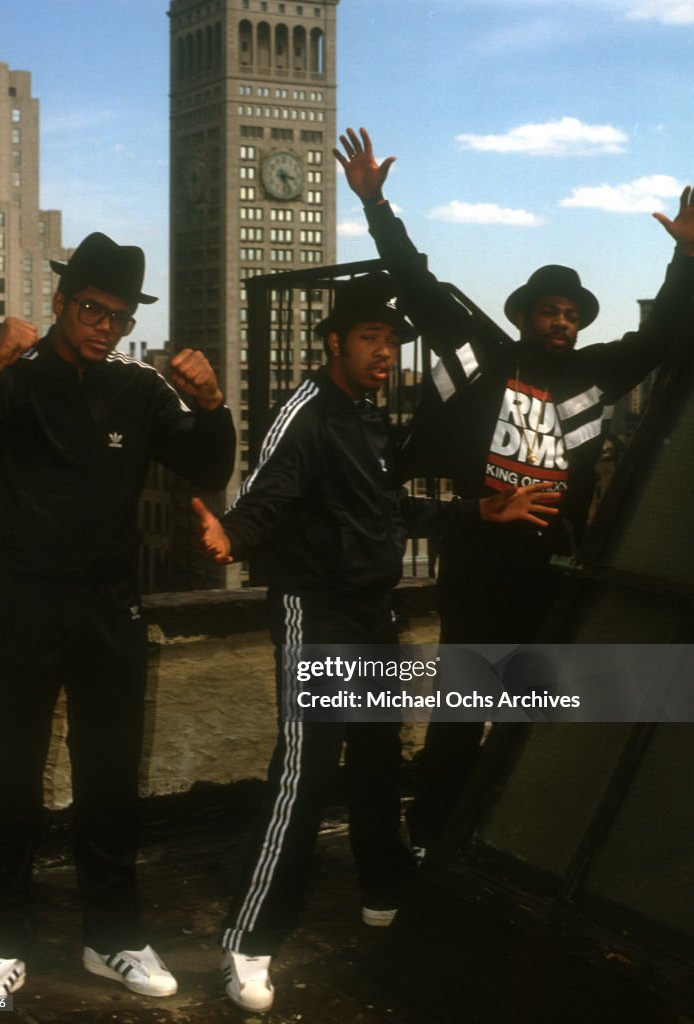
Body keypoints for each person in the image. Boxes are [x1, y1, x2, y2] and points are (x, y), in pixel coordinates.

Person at [191, 271, 562, 1013]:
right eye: (370, 339)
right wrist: (232, 533)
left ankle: (384, 889)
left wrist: (479, 511)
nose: (385, 353)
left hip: (369, 609)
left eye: (392, 342)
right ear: (334, 342)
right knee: (305, 770)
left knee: (374, 755)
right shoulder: (306, 411)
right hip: (316, 608)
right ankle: (249, 939)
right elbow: (267, 492)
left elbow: (386, 509)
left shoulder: (366, 415)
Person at [334, 127, 694, 854]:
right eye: (548, 312)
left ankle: (506, 839)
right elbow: (420, 288)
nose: (560, 324)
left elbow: (659, 337)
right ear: (523, 316)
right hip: (478, 563)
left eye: (570, 315)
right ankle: (433, 834)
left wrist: (684, 256)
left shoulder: (593, 376)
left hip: (550, 569)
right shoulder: (484, 361)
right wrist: (377, 207)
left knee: (533, 713)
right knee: (465, 709)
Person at [0, 232, 236, 998]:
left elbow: (205, 467)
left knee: (110, 776)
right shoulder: (13, 379)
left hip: (110, 601)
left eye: (119, 316)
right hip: (24, 597)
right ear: (63, 304)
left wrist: (211, 406)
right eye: (93, 310)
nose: (105, 326)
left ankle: (114, 937)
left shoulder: (137, 390)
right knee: (10, 774)